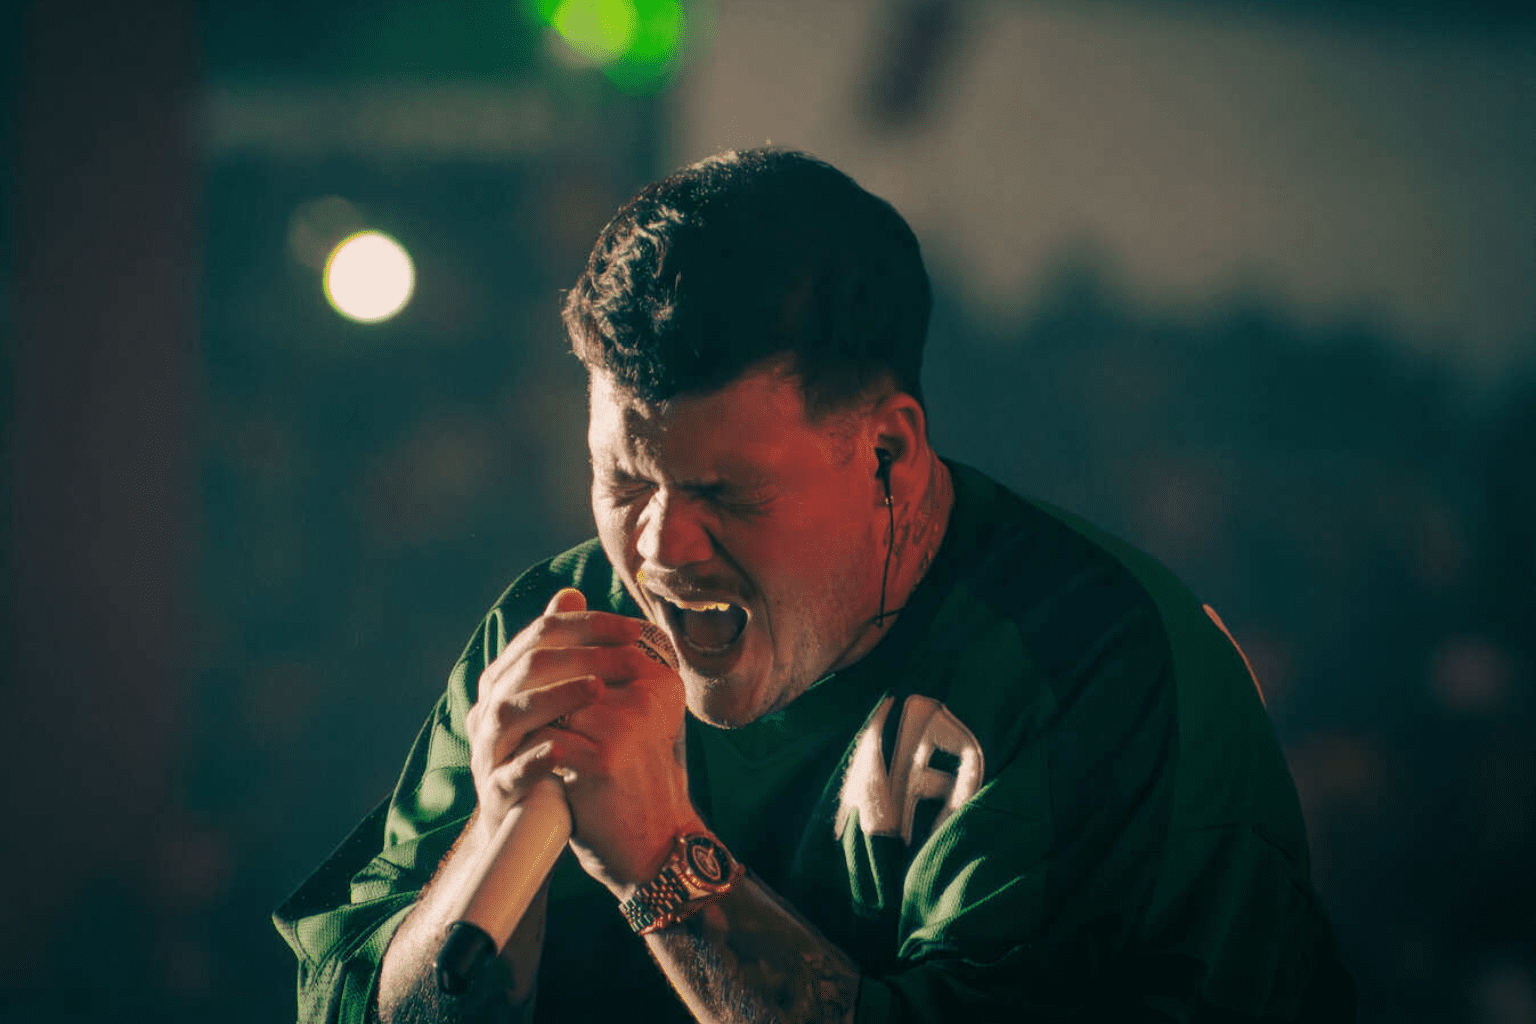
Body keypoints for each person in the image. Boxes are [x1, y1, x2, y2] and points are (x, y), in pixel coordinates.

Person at [275, 148, 1355, 1022]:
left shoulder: (1097, 669)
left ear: (889, 453)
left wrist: (662, 861)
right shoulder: (559, 626)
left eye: (725, 493)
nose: (658, 546)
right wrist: (494, 831)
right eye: (623, 481)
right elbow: (353, 1003)